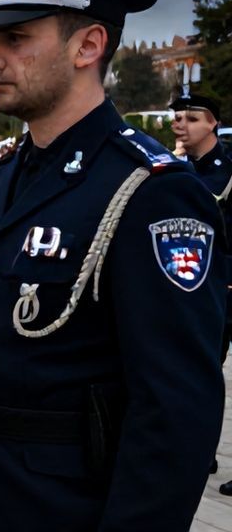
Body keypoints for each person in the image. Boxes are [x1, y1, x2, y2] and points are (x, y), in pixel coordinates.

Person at [0, 0, 226, 530]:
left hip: (62, 509)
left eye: (15, 38)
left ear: (89, 44)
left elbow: (175, 412)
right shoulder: (9, 174)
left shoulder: (149, 189)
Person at [168, 92, 232, 490]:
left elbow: (203, 200)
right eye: (178, 117)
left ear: (212, 124)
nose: (181, 123)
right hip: (206, 286)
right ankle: (202, 452)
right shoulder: (186, 167)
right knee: (202, 371)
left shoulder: (223, 168)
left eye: (191, 118)